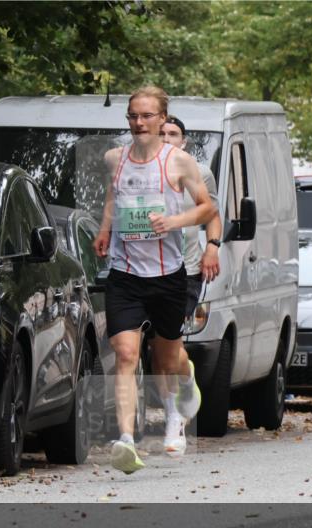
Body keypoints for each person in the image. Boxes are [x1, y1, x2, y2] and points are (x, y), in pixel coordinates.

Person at [93, 86, 215, 474]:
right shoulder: (115, 159)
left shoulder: (179, 162)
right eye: (133, 115)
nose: (139, 122)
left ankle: (176, 412)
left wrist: (174, 221)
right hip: (125, 275)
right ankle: (126, 440)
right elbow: (113, 196)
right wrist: (105, 228)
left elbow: (207, 208)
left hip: (168, 276)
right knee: (126, 353)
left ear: (162, 119)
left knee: (167, 358)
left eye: (146, 116)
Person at [157, 115, 221, 456]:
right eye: (161, 133)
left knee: (168, 348)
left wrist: (213, 247)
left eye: (173, 134)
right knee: (156, 350)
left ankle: (177, 418)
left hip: (186, 271)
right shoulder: (140, 172)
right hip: (146, 271)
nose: (166, 138)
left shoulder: (200, 173)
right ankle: (172, 412)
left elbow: (212, 215)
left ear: (183, 141)